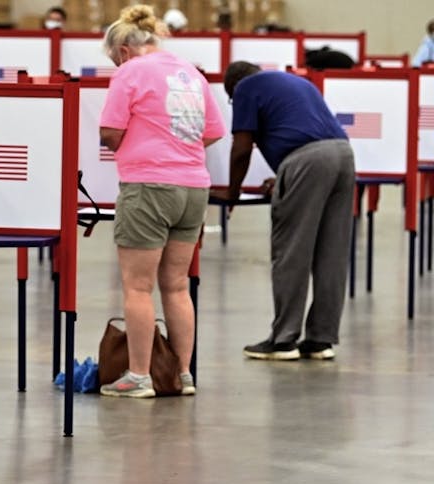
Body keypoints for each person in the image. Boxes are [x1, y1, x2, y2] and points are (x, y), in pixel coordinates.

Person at [97, 5, 225, 398]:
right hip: (193, 188)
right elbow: (213, 132)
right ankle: (182, 374)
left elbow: (109, 131)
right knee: (176, 285)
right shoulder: (191, 73)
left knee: (137, 287)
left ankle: (139, 376)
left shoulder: (130, 71)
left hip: (148, 186)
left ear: (122, 50)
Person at [211, 62, 354, 361]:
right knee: (332, 253)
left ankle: (283, 340)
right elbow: (311, 135)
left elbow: (242, 147)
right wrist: (285, 177)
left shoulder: (246, 88)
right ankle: (320, 340)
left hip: (307, 162)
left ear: (234, 87)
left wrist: (233, 193)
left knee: (292, 251)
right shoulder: (294, 82)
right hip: (342, 155)